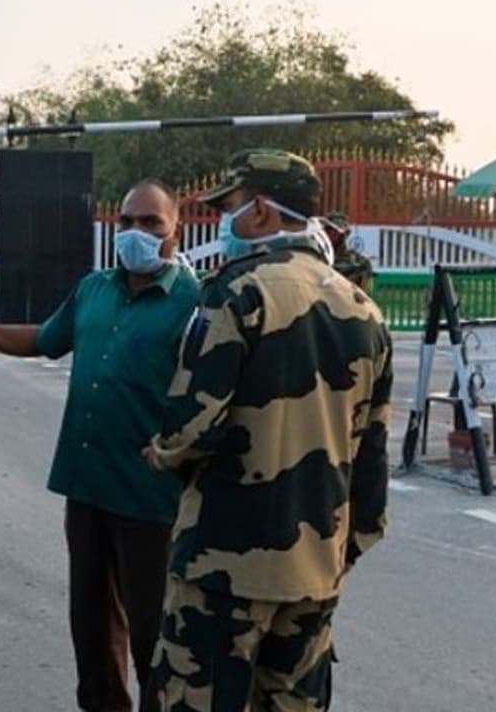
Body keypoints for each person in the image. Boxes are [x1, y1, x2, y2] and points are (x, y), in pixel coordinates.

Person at [0, 179, 200, 712]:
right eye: (127, 222)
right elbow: (43, 339)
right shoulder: (94, 289)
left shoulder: (194, 303)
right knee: (91, 628)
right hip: (87, 487)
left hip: (151, 500)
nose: (136, 232)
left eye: (151, 223)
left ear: (175, 231)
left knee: (155, 633)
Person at [143, 149, 392, 711]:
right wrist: (342, 551)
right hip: (315, 567)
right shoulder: (363, 310)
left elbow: (191, 427)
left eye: (228, 207)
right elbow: (371, 455)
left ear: (258, 210)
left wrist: (160, 454)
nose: (223, 222)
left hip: (222, 568)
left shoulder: (237, 292)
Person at [320, 210, 375, 293]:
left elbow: (365, 295)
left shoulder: (360, 262)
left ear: (345, 234)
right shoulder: (316, 259)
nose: (331, 234)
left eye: (336, 231)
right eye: (328, 230)